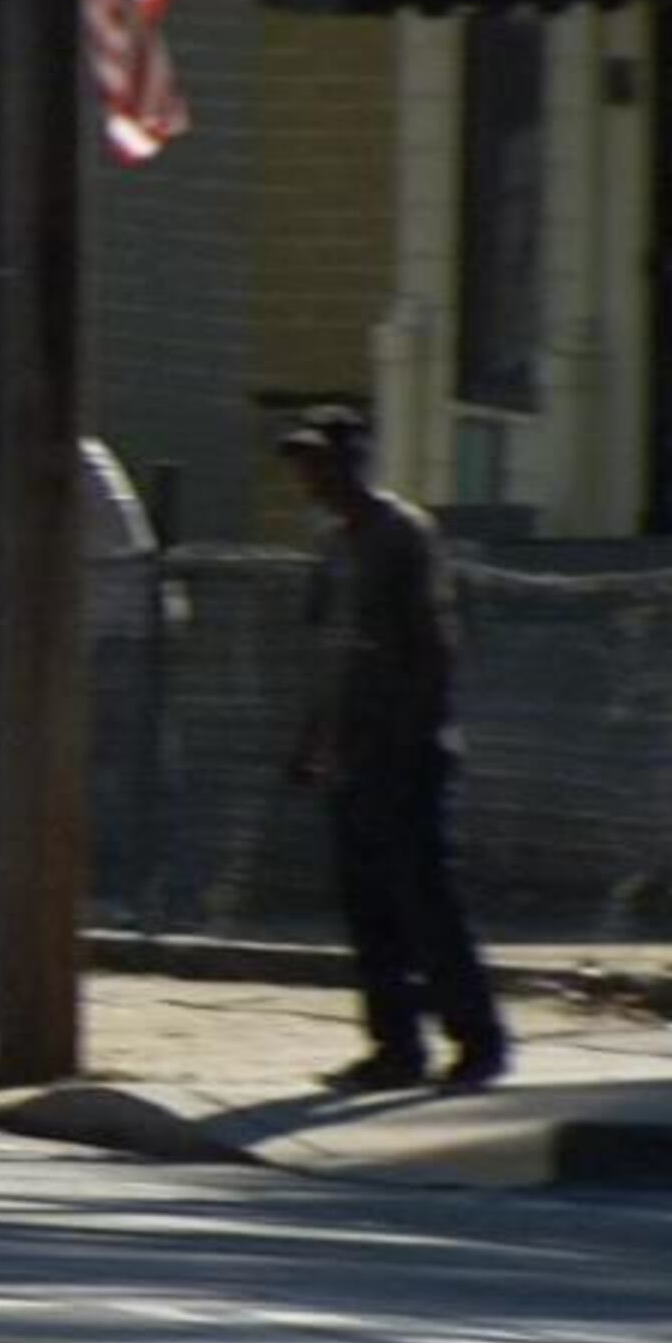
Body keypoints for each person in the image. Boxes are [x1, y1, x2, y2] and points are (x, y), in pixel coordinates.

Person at [278, 405, 509, 1091]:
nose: (310, 479)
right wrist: (312, 741)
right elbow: (330, 655)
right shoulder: (334, 547)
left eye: (320, 462)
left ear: (354, 461)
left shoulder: (402, 534)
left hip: (405, 752)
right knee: (368, 908)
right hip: (352, 752)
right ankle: (395, 1046)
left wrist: (411, 737)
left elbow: (435, 648)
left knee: (426, 901)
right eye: (303, 465)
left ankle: (477, 1039)